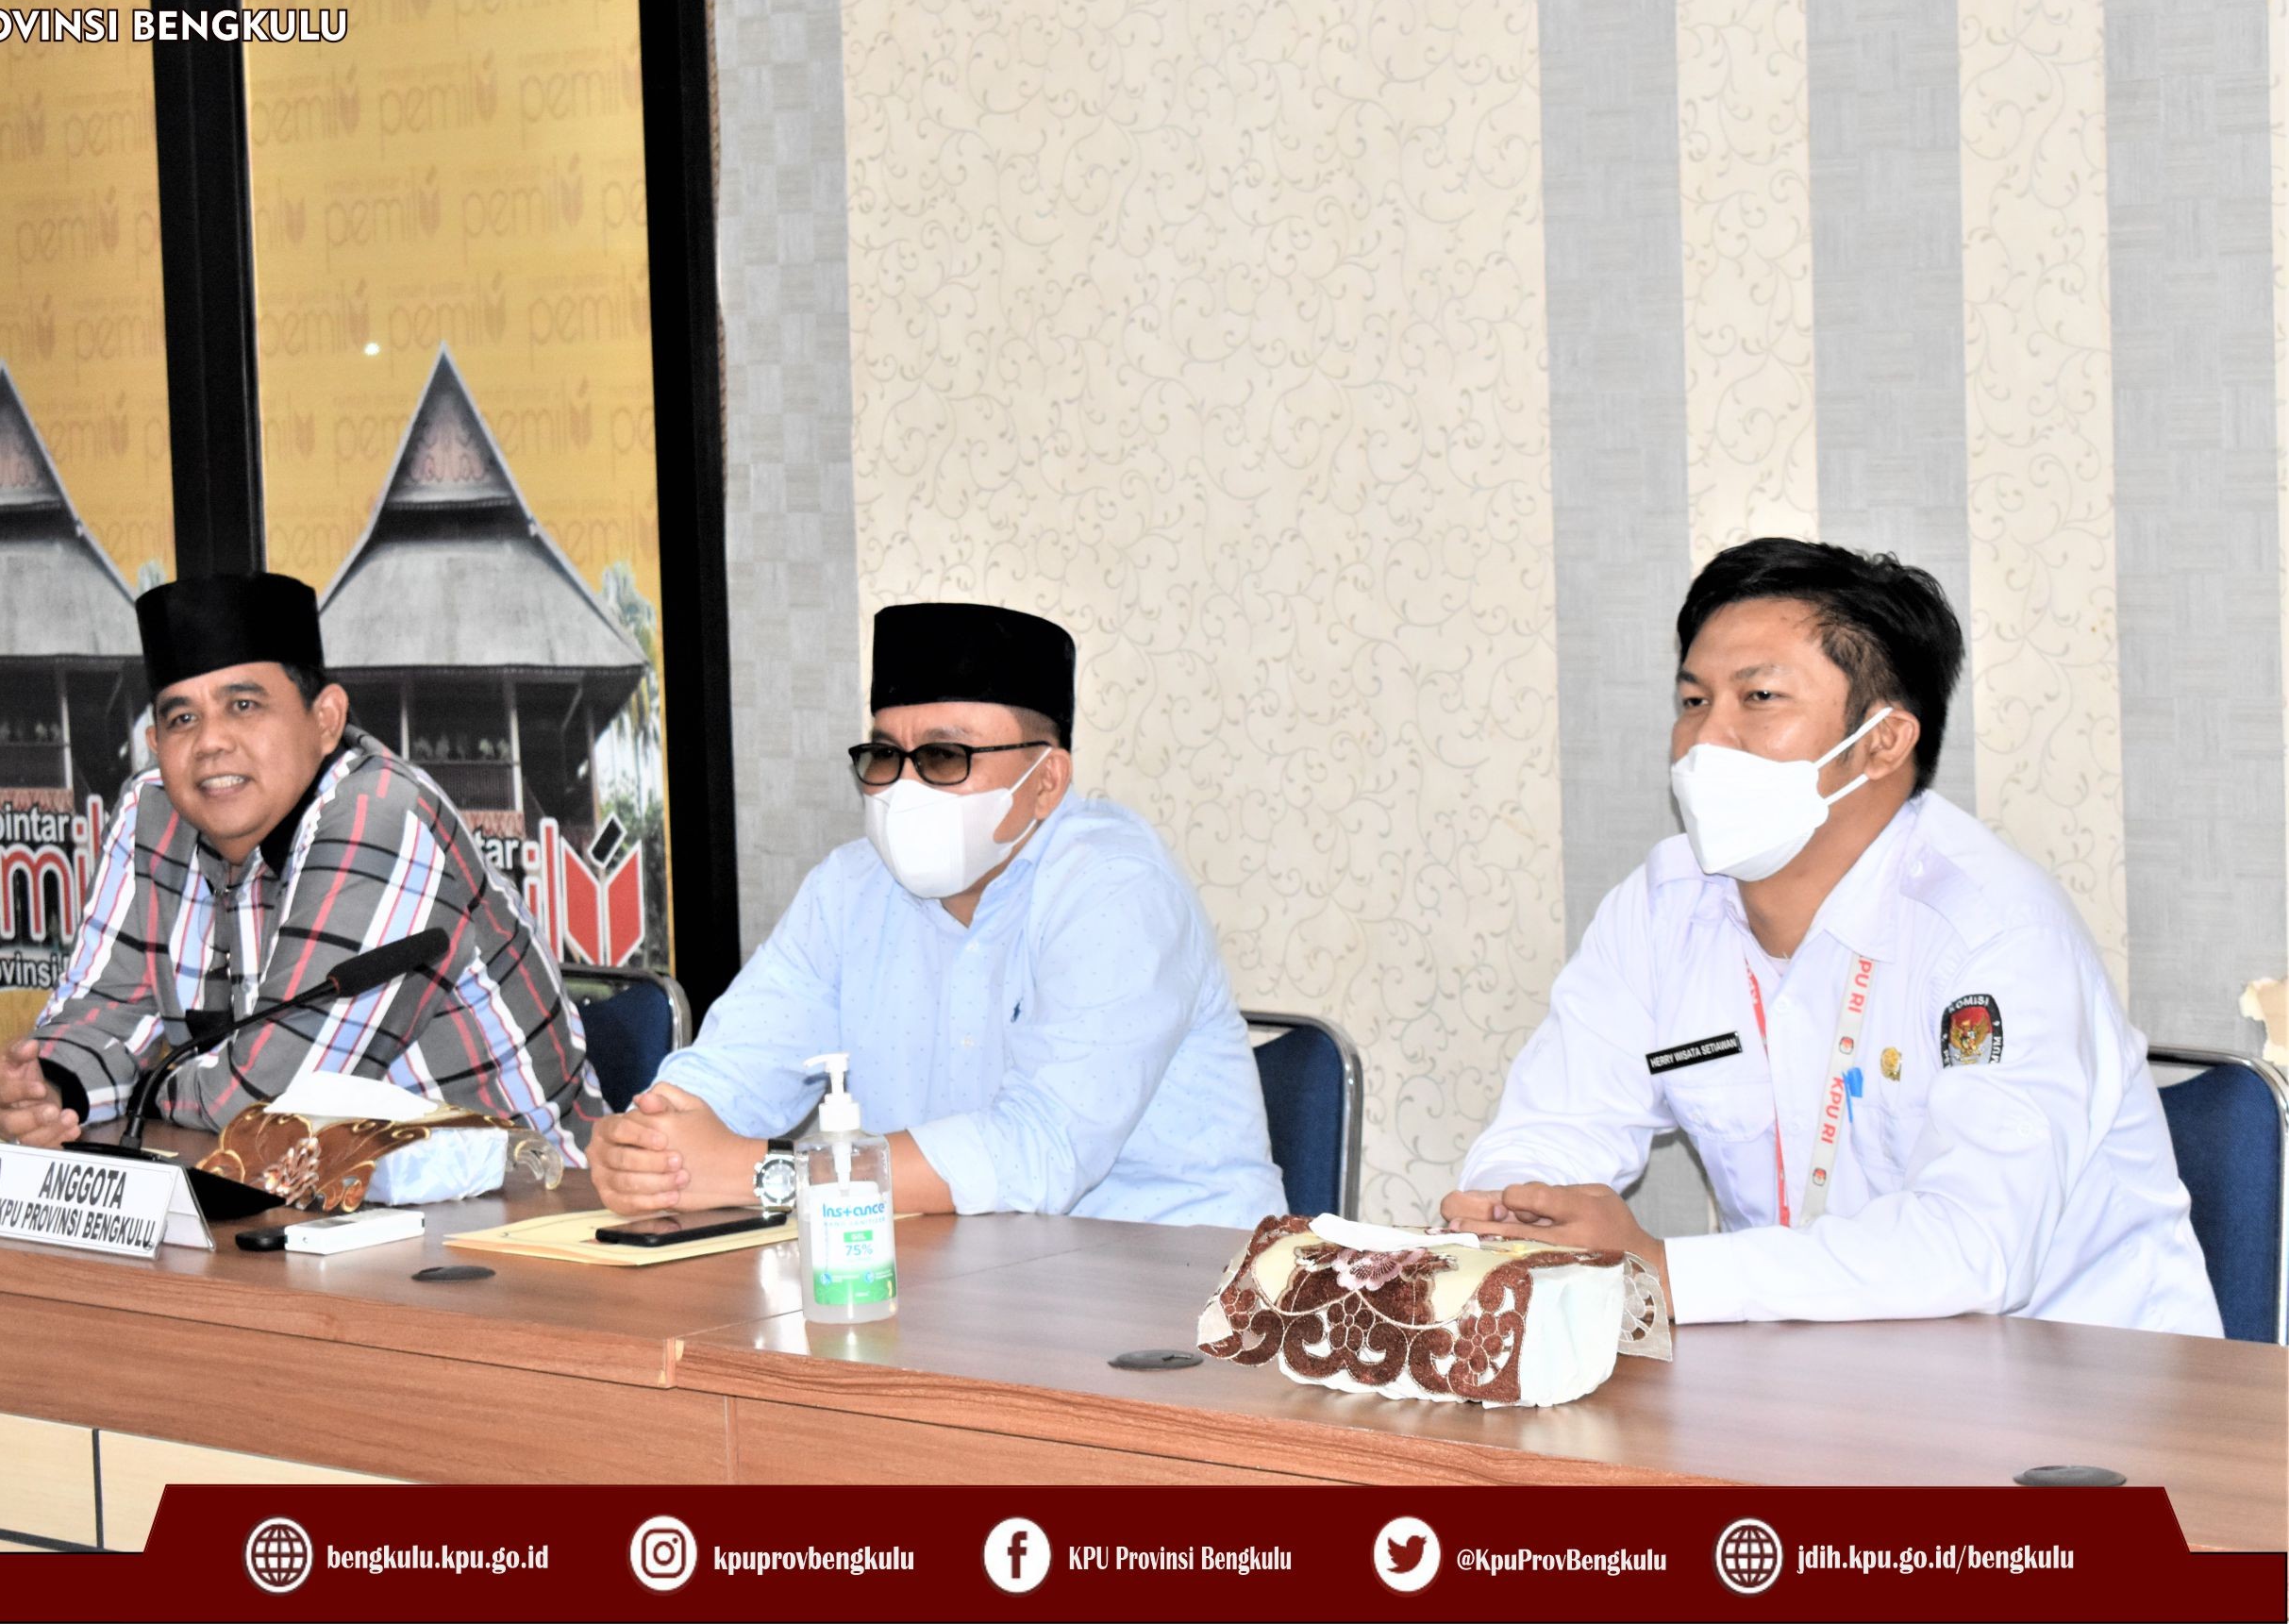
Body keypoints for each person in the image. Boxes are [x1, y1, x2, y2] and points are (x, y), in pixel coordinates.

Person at [1446, 539, 2220, 1335]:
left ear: (1883, 741)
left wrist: (1664, 1271)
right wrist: (1518, 1217)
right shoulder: (1660, 911)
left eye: (1759, 697)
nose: (1704, 740)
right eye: (1693, 701)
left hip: (2082, 1388)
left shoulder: (1994, 933)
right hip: (1811, 1377)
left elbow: (1976, 1247)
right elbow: (1552, 1128)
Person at [587, 601, 1284, 1227]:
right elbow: (734, 1070)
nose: (905, 785)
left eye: (945, 757)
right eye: (885, 755)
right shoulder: (849, 889)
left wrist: (757, 1171)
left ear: (1046, 781)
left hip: (1181, 1291)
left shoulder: (1116, 887)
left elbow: (1040, 1150)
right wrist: (650, 1145)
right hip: (963, 1283)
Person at [0, 573, 590, 1160]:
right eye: (182, 718)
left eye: (243, 705)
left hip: (521, 1197)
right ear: (156, 745)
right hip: (302, 1200)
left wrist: (143, 1090)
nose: (211, 742)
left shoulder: (383, 815)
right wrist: (49, 1088)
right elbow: (102, 1014)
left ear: (325, 720)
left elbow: (269, 1102)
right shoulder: (152, 809)